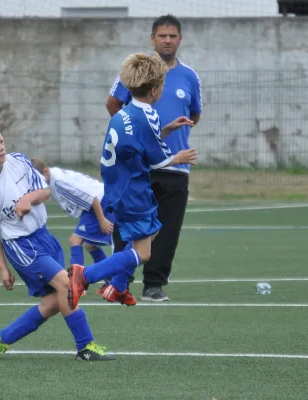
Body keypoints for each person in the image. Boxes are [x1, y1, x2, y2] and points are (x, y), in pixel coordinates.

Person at [0, 121, 114, 361]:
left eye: (1, 141)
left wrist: (28, 199)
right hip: (21, 247)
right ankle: (85, 347)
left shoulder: (19, 161)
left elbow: (45, 190)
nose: (1, 147)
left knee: (54, 302)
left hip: (44, 236)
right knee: (67, 286)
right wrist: (3, 269)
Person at [67, 53, 198, 308]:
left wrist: (168, 129)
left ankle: (117, 287)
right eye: (162, 85)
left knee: (154, 229)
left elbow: (138, 143)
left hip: (119, 186)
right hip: (134, 190)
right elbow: (158, 161)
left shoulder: (124, 113)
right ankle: (86, 276)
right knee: (143, 252)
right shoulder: (148, 116)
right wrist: (178, 156)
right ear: (154, 89)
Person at [105, 14, 202, 302]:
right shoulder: (137, 70)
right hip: (141, 166)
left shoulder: (189, 76)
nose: (168, 40)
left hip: (176, 168)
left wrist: (171, 132)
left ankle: (154, 284)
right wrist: (136, 138)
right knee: (128, 225)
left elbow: (195, 112)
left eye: (173, 36)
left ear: (180, 39)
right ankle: (119, 280)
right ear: (153, 39)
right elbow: (113, 103)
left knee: (167, 229)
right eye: (162, 35)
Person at [30, 158, 113, 271]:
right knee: (90, 245)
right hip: (99, 199)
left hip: (100, 201)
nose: (36, 185)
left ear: (46, 172)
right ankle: (110, 279)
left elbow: (92, 198)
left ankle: (77, 284)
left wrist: (102, 220)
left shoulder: (60, 183)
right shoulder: (51, 178)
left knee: (75, 240)